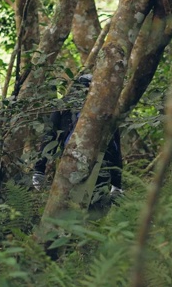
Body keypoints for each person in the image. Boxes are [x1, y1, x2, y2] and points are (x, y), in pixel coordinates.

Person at [32, 74, 123, 206]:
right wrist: (39, 169)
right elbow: (49, 136)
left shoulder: (103, 109)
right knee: (76, 206)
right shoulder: (66, 106)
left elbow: (49, 137)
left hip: (83, 162)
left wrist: (39, 169)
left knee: (76, 206)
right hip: (83, 162)